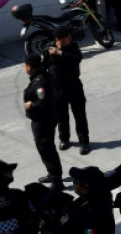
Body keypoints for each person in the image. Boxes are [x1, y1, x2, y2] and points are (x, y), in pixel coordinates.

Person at [45, 24, 91, 155]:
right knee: (61, 116)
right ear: (58, 39)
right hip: (57, 88)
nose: (69, 38)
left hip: (74, 86)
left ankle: (84, 142)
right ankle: (64, 139)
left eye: (69, 36)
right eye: (66, 37)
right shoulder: (49, 49)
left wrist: (59, 53)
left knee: (80, 115)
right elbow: (43, 68)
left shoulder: (73, 47)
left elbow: (76, 59)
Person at [23, 52, 63, 190]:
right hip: (47, 118)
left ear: (29, 67)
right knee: (45, 148)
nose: (24, 68)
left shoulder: (39, 83)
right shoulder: (44, 75)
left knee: (46, 149)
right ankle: (52, 174)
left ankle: (57, 181)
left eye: (25, 65)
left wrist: (30, 105)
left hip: (42, 120)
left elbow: (43, 102)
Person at [61, 166, 115, 234]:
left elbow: (91, 232)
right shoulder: (95, 196)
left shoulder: (92, 214)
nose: (73, 183)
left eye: (76, 181)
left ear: (85, 189)